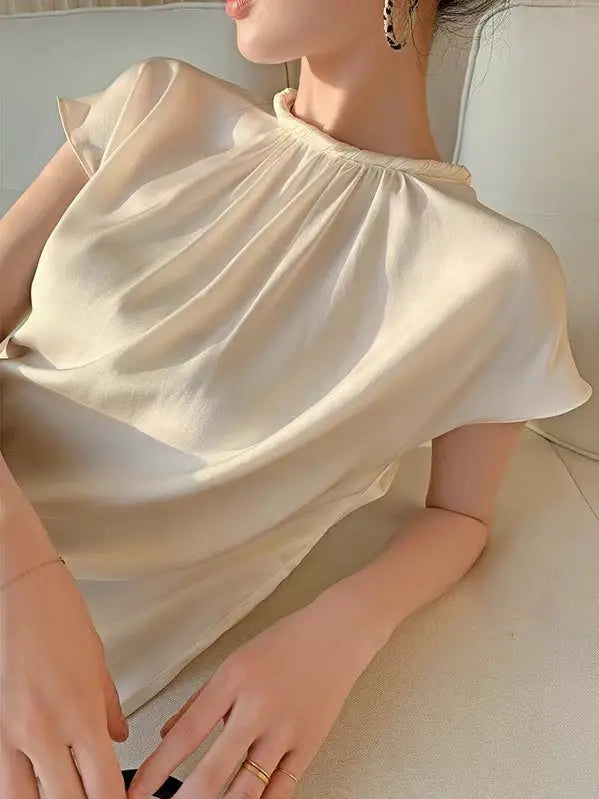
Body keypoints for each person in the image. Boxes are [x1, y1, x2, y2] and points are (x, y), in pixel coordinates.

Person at [0, 0, 593, 795]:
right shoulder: (153, 103)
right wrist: (21, 584)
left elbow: (459, 518)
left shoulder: (496, 275)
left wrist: (333, 638)